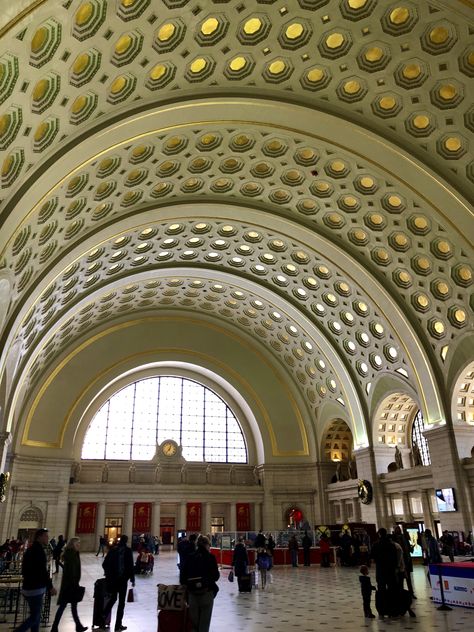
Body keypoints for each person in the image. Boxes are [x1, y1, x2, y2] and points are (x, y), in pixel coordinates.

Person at [14, 528, 57, 632]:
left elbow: (24, 569)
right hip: (35, 589)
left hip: (28, 587)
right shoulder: (39, 551)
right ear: (40, 537)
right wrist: (50, 587)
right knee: (34, 617)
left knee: (36, 617)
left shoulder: (30, 549)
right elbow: (43, 571)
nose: (47, 538)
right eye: (46, 536)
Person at [180, 535, 219, 632]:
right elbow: (216, 576)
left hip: (192, 594)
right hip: (207, 593)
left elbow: (183, 577)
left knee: (193, 624)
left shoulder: (190, 557)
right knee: (204, 624)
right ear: (207, 545)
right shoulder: (211, 557)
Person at [50, 537, 87, 632]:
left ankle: (78, 626)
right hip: (70, 585)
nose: (79, 545)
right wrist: (74, 583)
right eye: (77, 544)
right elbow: (71, 571)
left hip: (71, 584)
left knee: (72, 607)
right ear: (72, 545)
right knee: (63, 606)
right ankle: (55, 627)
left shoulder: (73, 554)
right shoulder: (71, 555)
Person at [102, 535, 135, 632]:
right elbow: (130, 566)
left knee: (113, 598)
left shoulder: (113, 550)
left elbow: (104, 564)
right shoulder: (128, 551)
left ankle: (103, 616)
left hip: (113, 580)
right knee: (121, 603)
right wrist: (132, 578)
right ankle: (118, 625)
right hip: (123, 580)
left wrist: (109, 575)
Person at [370, 528, 398, 615]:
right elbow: (395, 557)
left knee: (381, 589)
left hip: (381, 570)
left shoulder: (376, 544)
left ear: (379, 534)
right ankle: (392, 609)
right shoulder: (391, 544)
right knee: (391, 589)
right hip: (390, 570)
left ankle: (382, 609)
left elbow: (372, 556)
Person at [392, 526, 415, 598]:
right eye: (396, 529)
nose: (398, 530)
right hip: (400, 561)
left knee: (408, 578)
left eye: (399, 529)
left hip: (406, 559)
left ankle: (411, 593)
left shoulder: (404, 537)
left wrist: (411, 548)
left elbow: (407, 546)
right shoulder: (393, 538)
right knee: (400, 579)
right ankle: (400, 593)